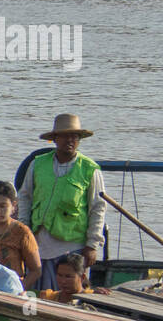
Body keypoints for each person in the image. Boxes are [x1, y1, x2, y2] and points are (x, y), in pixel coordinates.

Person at [17, 114, 105, 291]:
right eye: (65, 136)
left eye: (75, 136)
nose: (70, 140)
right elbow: (25, 197)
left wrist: (92, 245)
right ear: (55, 139)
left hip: (72, 246)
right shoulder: (38, 164)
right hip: (39, 242)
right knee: (38, 293)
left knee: (67, 293)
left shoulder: (89, 169)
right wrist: (24, 231)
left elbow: (98, 207)